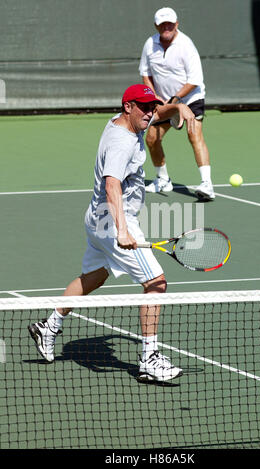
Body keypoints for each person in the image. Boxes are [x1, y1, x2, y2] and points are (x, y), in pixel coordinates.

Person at [28, 84, 195, 383]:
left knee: (94, 276)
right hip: (114, 223)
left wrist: (176, 108)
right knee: (156, 283)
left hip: (95, 219)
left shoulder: (127, 122)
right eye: (144, 107)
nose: (149, 112)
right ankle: (149, 360)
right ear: (128, 106)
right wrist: (122, 230)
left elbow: (157, 116)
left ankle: (48, 327)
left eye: (152, 106)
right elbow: (111, 185)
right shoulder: (122, 142)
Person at [139, 7, 215, 201]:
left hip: (190, 99)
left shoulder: (186, 45)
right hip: (163, 101)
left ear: (177, 24)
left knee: (194, 134)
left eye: (170, 24)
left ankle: (207, 184)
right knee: (152, 139)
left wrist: (175, 99)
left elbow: (194, 80)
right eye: (162, 24)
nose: (166, 27)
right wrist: (155, 96)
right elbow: (145, 73)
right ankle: (163, 179)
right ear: (156, 25)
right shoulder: (150, 44)